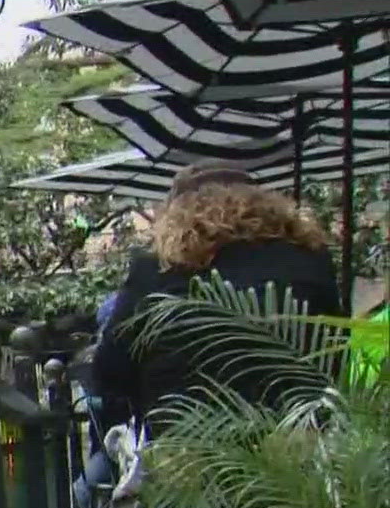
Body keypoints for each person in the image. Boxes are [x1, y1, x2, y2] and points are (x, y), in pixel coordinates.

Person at [91, 165, 341, 433]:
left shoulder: (156, 269)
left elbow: (110, 372)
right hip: (297, 444)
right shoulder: (310, 258)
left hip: (191, 451)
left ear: (176, 213)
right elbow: (334, 353)